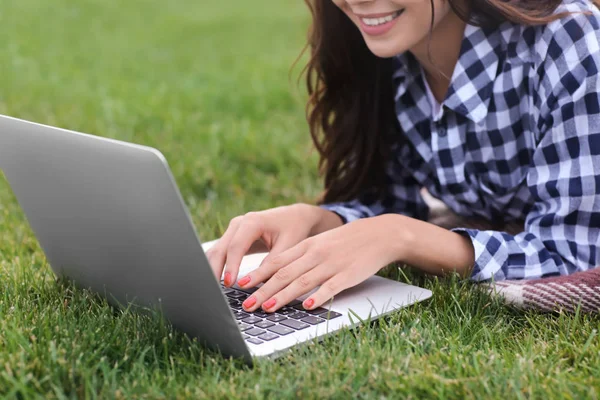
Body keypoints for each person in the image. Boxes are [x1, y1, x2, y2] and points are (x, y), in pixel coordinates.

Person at [207, 0, 600, 314]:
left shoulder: (570, 38)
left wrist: (400, 235)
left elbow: (574, 253)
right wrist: (316, 221)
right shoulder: (392, 56)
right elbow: (390, 198)